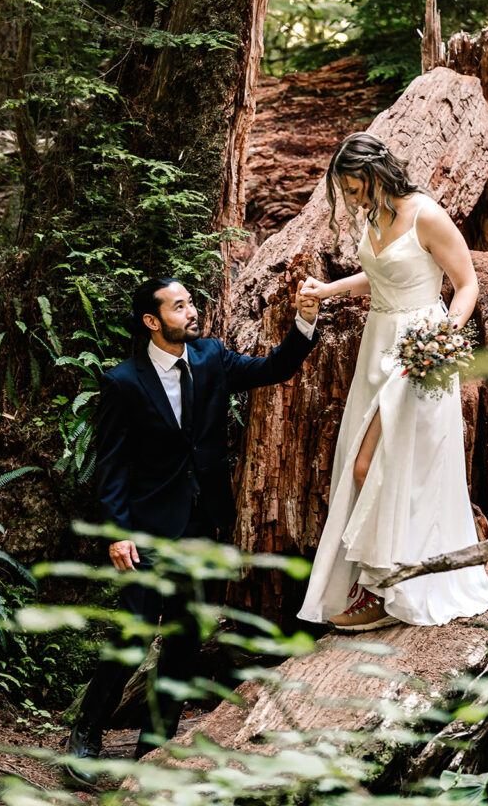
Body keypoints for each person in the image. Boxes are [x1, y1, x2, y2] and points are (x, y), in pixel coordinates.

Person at [66, 276, 319, 785]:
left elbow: (276, 367)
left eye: (191, 303)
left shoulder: (211, 358)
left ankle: (153, 749)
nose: (193, 311)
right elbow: (112, 468)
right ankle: (85, 740)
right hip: (149, 532)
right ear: (152, 321)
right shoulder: (123, 382)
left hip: (204, 524)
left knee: (184, 640)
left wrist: (305, 321)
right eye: (179, 306)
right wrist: (118, 533)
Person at [297, 132, 488, 633]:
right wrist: (328, 289)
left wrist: (443, 340)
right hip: (378, 345)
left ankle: (391, 582)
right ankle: (380, 581)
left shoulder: (427, 214)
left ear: (378, 172)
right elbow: (381, 273)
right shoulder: (374, 215)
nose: (352, 199)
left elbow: (467, 284)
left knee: (381, 466)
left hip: (419, 351)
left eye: (356, 188)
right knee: (367, 462)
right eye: (346, 192)